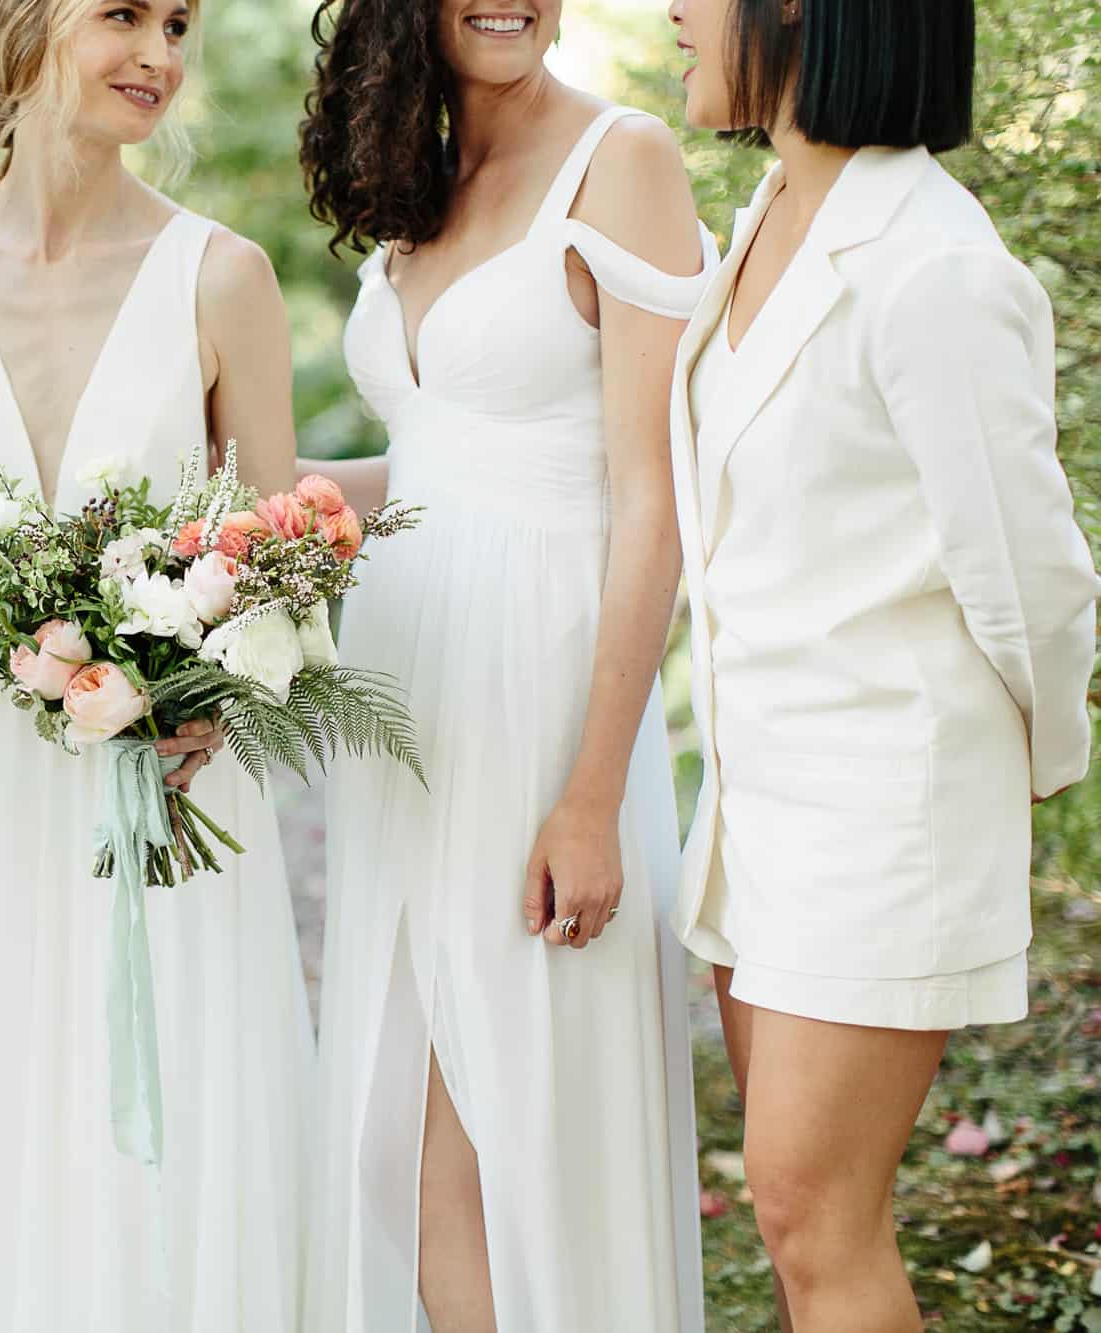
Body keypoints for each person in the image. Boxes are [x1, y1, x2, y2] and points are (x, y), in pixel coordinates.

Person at [0, 1, 315, 1328]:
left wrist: (203, 699)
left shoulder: (222, 277)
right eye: (123, 14)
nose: (160, 52)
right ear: (28, 22)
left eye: (178, 22)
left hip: (167, 786)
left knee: (162, 1131)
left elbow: (279, 555)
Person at [666, 1, 1098, 1328]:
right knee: (802, 1227)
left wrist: (1027, 767)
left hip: (883, 808)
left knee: (812, 1214)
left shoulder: (933, 262)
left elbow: (1032, 570)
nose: (674, 11)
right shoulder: (762, 225)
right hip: (759, 804)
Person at [299, 1, 716, 1328]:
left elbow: (650, 502)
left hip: (542, 697)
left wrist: (594, 792)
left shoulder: (624, 159)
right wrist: (260, 511)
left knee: (518, 1129)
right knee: (394, 1137)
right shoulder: (417, 179)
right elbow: (434, 460)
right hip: (410, 703)